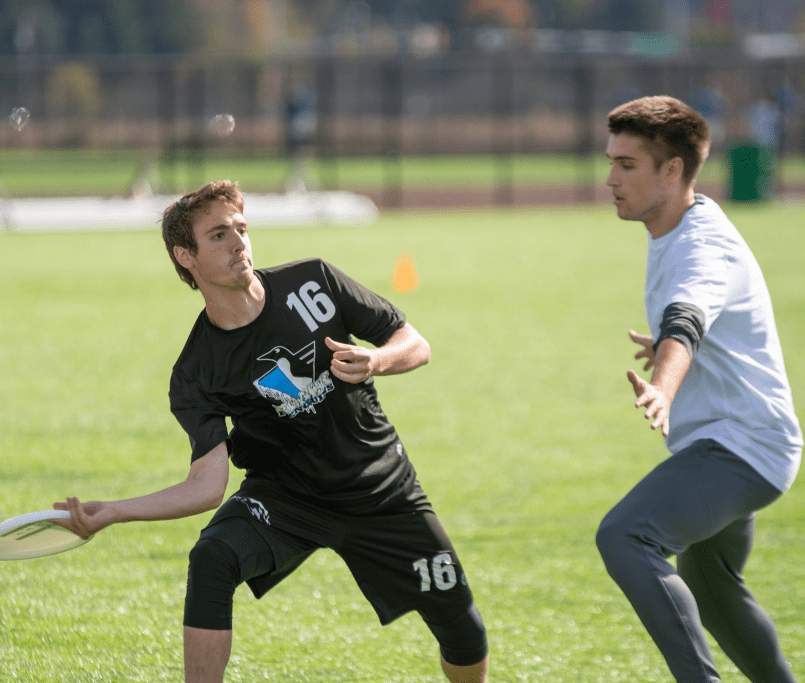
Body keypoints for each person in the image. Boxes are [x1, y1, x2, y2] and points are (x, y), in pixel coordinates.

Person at [52, 180, 489, 682]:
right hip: (286, 501)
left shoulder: (314, 281)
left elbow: (413, 342)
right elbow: (206, 486)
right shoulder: (196, 371)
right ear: (185, 256)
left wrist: (377, 360)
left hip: (380, 488)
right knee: (212, 557)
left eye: (241, 228)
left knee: (463, 630)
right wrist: (113, 511)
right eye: (219, 235)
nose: (239, 242)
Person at [597, 95, 802, 682]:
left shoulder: (702, 246)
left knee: (627, 535)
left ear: (672, 170)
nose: (611, 179)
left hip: (743, 446)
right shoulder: (682, 224)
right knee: (711, 589)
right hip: (731, 441)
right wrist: (667, 346)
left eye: (627, 165)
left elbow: (686, 318)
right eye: (611, 162)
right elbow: (691, 325)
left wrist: (664, 384)